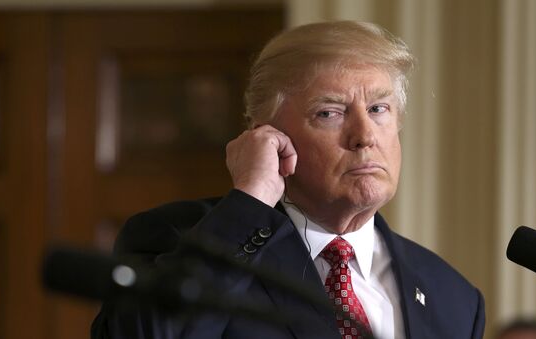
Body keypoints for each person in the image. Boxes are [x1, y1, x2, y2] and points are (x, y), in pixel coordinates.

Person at [91, 21, 485, 339]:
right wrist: (252, 196)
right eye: (330, 113)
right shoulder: (173, 238)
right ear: (269, 135)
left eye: (379, 108)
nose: (365, 136)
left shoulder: (452, 298)